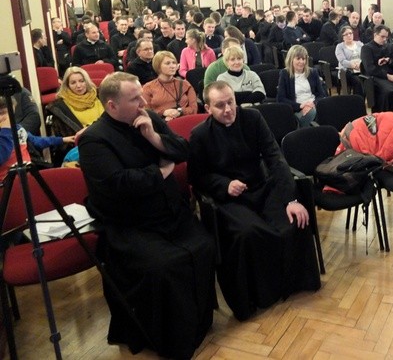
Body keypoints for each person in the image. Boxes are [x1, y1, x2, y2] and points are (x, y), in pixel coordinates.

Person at [79, 72, 215, 358]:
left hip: (167, 213)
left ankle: (197, 323)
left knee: (203, 246)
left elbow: (182, 148)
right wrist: (162, 170)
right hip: (129, 224)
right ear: (112, 105)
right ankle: (167, 336)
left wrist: (154, 137)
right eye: (134, 98)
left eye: (141, 95)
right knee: (164, 266)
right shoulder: (94, 140)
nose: (143, 101)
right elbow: (120, 185)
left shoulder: (148, 118)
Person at [188, 81, 321, 321]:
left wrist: (290, 198)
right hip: (229, 198)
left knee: (295, 219)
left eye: (231, 102)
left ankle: (292, 284)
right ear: (207, 108)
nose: (228, 109)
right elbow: (198, 177)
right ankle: (261, 296)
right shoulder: (199, 135)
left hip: (262, 186)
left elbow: (274, 157)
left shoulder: (253, 118)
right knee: (250, 233)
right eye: (220, 105)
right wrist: (224, 185)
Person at [0, 96, 74, 182]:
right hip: (6, 182)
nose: (8, 118)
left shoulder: (18, 129)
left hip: (26, 174)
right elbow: (2, 156)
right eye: (2, 113)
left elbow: (36, 141)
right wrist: (6, 130)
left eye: (11, 113)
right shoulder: (6, 132)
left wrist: (62, 139)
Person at [46, 66, 105, 138]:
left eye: (81, 81)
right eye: (73, 83)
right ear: (67, 85)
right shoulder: (60, 107)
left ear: (86, 82)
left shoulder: (100, 95)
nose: (78, 86)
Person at [278, 45, 327, 127]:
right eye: (298, 59)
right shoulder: (285, 74)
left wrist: (312, 104)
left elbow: (322, 94)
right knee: (313, 114)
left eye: (303, 59)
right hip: (297, 109)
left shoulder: (313, 72)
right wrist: (300, 106)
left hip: (313, 105)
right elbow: (281, 99)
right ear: (291, 59)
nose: (301, 62)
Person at [361, 24, 393, 115]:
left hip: (391, 74)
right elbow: (370, 69)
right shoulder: (366, 48)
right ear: (375, 35)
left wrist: (389, 60)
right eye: (382, 37)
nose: (385, 39)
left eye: (386, 37)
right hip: (376, 77)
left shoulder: (389, 47)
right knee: (390, 92)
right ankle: (386, 116)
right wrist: (387, 76)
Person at [142, 51, 197, 121]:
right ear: (158, 66)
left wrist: (180, 112)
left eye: (174, 63)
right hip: (159, 123)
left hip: (184, 120)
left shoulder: (185, 84)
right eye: (167, 63)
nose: (172, 66)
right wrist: (163, 112)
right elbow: (146, 111)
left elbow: (194, 109)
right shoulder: (148, 87)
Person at [335, 25, 364, 97]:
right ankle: (357, 101)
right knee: (358, 81)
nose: (349, 35)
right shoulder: (340, 46)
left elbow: (365, 57)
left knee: (368, 79)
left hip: (360, 69)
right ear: (342, 37)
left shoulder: (360, 44)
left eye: (350, 33)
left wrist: (360, 65)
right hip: (347, 71)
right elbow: (342, 61)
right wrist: (352, 65)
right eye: (346, 34)